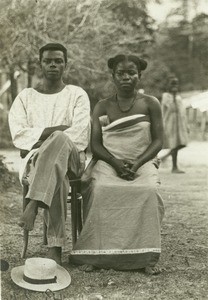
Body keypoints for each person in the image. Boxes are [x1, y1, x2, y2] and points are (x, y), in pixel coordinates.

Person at [70, 54, 165, 274]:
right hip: (108, 161)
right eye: (120, 73)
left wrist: (138, 162)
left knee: (148, 190)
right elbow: (95, 144)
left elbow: (159, 140)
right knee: (101, 189)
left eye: (131, 73)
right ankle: (96, 254)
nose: (126, 77)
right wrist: (115, 163)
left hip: (142, 161)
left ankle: (145, 257)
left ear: (139, 76)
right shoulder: (102, 106)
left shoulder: (151, 103)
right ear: (113, 76)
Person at [8, 43, 91, 264]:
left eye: (58, 61)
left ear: (66, 64)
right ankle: (55, 246)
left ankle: (33, 203)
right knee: (58, 174)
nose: (53, 65)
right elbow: (18, 134)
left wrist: (45, 137)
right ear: (40, 64)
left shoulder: (77, 94)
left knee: (62, 141)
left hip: (73, 158)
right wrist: (58, 130)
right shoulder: (25, 97)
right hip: (36, 161)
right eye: (48, 61)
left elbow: (81, 134)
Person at [160, 76, 189, 173]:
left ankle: (165, 157)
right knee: (174, 145)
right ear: (168, 85)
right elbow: (169, 108)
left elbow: (182, 112)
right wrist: (173, 95)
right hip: (170, 124)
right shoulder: (166, 96)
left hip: (179, 124)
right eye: (172, 84)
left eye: (176, 84)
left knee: (182, 144)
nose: (174, 86)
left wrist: (186, 125)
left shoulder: (179, 98)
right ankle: (174, 167)